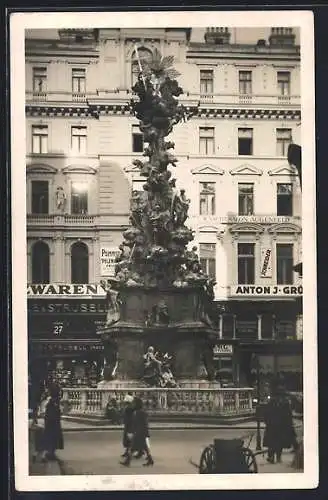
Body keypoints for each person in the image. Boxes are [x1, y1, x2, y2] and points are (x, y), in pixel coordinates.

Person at [263, 384, 297, 464]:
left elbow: (266, 413)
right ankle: (277, 457)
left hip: (273, 425)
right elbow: (288, 415)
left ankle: (271, 456)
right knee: (279, 442)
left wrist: (267, 422)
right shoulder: (285, 402)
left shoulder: (272, 401)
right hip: (281, 425)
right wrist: (289, 424)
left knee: (272, 442)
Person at [121, 397, 154, 467]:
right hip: (141, 432)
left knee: (132, 448)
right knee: (145, 447)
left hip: (139, 433)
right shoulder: (140, 412)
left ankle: (127, 462)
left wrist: (133, 432)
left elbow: (140, 424)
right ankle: (150, 460)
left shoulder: (139, 413)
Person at [42, 383, 64, 462]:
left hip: (52, 420)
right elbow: (52, 411)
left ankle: (51, 454)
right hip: (52, 421)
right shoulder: (53, 400)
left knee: (53, 437)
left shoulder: (53, 400)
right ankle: (48, 454)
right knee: (52, 437)